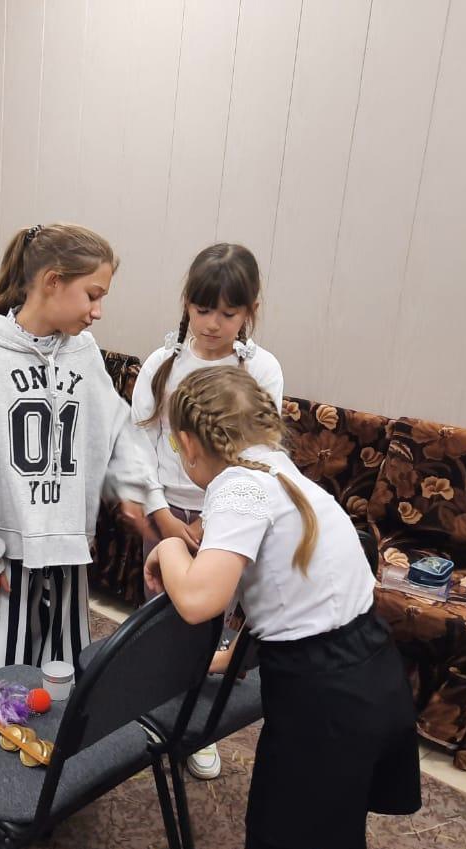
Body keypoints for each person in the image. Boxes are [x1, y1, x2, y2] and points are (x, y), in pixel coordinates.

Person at [147, 365, 420, 849]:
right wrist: (225, 660)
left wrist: (167, 546)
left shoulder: (236, 486)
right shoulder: (289, 476)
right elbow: (295, 602)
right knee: (343, 833)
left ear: (188, 444)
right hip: (376, 674)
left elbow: (198, 600)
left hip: (321, 707)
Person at [0, 222, 163, 849]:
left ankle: (49, 779)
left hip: (67, 555)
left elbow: (117, 432)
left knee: (63, 681)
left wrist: (143, 498)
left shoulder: (83, 353)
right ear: (52, 282)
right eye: (93, 293)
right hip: (4, 561)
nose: (98, 310)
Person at [130, 241, 284, 781]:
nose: (213, 324)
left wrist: (210, 518)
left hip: (230, 511)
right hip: (165, 508)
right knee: (160, 612)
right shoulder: (163, 363)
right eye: (202, 310)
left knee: (214, 618)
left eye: (228, 313)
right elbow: (139, 447)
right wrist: (163, 516)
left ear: (250, 312)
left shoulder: (261, 368)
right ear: (186, 304)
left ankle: (198, 726)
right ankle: (151, 707)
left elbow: (258, 450)